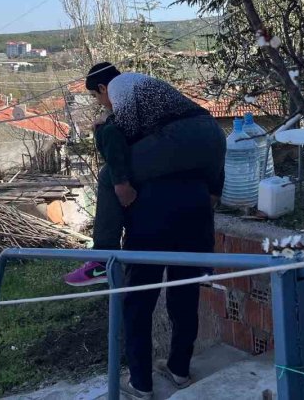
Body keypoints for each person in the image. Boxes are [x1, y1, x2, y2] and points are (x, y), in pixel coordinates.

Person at [66, 63, 226, 398]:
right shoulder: (159, 93)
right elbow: (209, 159)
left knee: (138, 302)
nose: (103, 104)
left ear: (101, 89)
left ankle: (140, 383)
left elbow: (114, 137)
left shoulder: (122, 89)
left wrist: (120, 174)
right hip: (207, 158)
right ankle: (179, 371)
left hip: (154, 213)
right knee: (185, 296)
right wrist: (213, 191)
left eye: (99, 99)